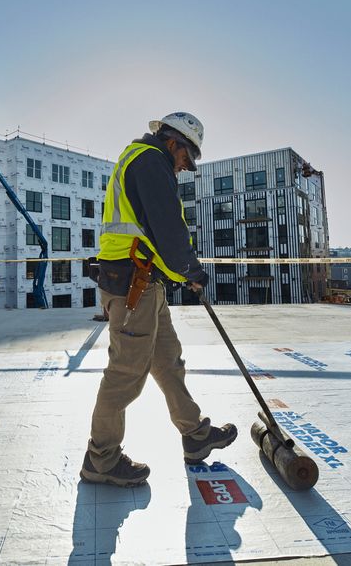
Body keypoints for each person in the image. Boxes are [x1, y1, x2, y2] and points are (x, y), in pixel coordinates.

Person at [81, 112, 237, 487]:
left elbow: (152, 229)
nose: (186, 167)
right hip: (133, 285)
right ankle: (101, 458)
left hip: (144, 280)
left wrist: (175, 272)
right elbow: (167, 227)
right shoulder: (151, 161)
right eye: (187, 157)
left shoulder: (142, 158)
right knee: (125, 373)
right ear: (173, 142)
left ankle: (195, 434)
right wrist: (192, 271)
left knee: (167, 360)